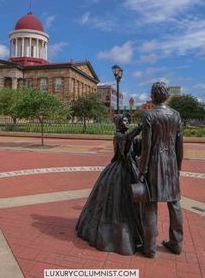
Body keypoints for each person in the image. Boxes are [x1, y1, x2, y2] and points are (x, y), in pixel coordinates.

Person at [76, 114, 143, 255]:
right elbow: (129, 137)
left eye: (126, 120)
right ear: (118, 124)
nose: (125, 123)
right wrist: (142, 125)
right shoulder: (119, 136)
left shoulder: (128, 137)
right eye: (122, 121)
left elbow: (137, 146)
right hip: (119, 170)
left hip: (130, 170)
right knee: (117, 199)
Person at [139, 82, 183, 258]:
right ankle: (176, 243)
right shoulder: (176, 115)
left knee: (150, 203)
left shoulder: (149, 115)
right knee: (175, 204)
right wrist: (178, 166)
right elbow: (180, 144)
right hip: (171, 162)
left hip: (155, 162)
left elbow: (146, 146)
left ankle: (149, 247)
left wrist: (142, 169)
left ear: (155, 96)